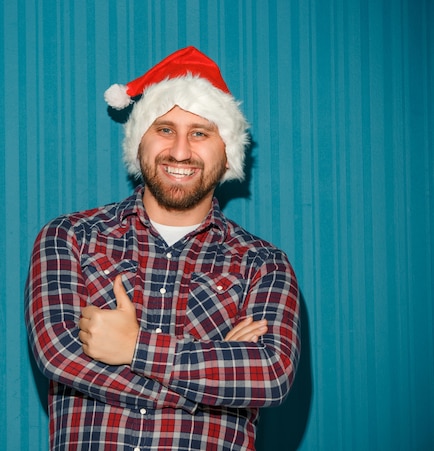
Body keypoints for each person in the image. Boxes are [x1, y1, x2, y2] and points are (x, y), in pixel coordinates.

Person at [25, 46, 301, 450]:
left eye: (201, 133)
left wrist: (133, 347)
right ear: (139, 143)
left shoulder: (263, 265)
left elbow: (271, 375)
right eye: (165, 129)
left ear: (227, 155)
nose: (180, 151)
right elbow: (61, 355)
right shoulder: (69, 237)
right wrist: (213, 380)